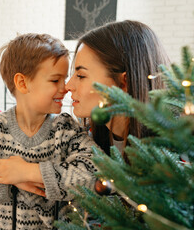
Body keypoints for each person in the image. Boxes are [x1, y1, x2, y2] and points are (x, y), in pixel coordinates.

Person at [0, 33, 98, 229]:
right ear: (22, 83)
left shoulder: (66, 129)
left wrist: (29, 172)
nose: (66, 88)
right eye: (56, 80)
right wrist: (9, 180)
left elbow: (95, 173)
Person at [66, 20, 170, 155]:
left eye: (81, 76)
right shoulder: (86, 140)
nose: (68, 86)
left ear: (124, 82)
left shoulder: (178, 150)